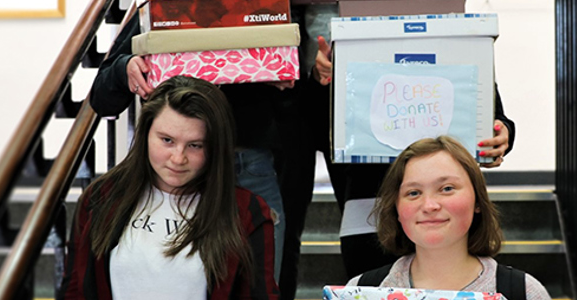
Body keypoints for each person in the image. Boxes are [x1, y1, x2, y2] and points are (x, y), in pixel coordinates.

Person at [276, 5, 516, 297]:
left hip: (431, 207)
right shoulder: (346, 32)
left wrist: (502, 132)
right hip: (368, 206)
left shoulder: (448, 29)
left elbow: (485, 104)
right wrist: (319, 80)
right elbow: (312, 131)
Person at [88, 14, 290, 282]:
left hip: (244, 164)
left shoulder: (263, 9)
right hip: (173, 179)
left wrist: (284, 71)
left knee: (258, 282)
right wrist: (125, 69)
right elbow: (102, 99)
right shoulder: (165, 8)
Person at [59, 76, 279, 299]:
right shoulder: (101, 197)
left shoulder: (246, 211)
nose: (178, 158)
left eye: (195, 145)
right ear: (145, 133)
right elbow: (75, 291)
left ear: (214, 146)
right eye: (167, 140)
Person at [344, 136, 548, 300]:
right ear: (396, 208)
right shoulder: (360, 292)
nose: (429, 205)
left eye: (447, 189)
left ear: (477, 200)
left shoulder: (523, 292)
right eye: (413, 193)